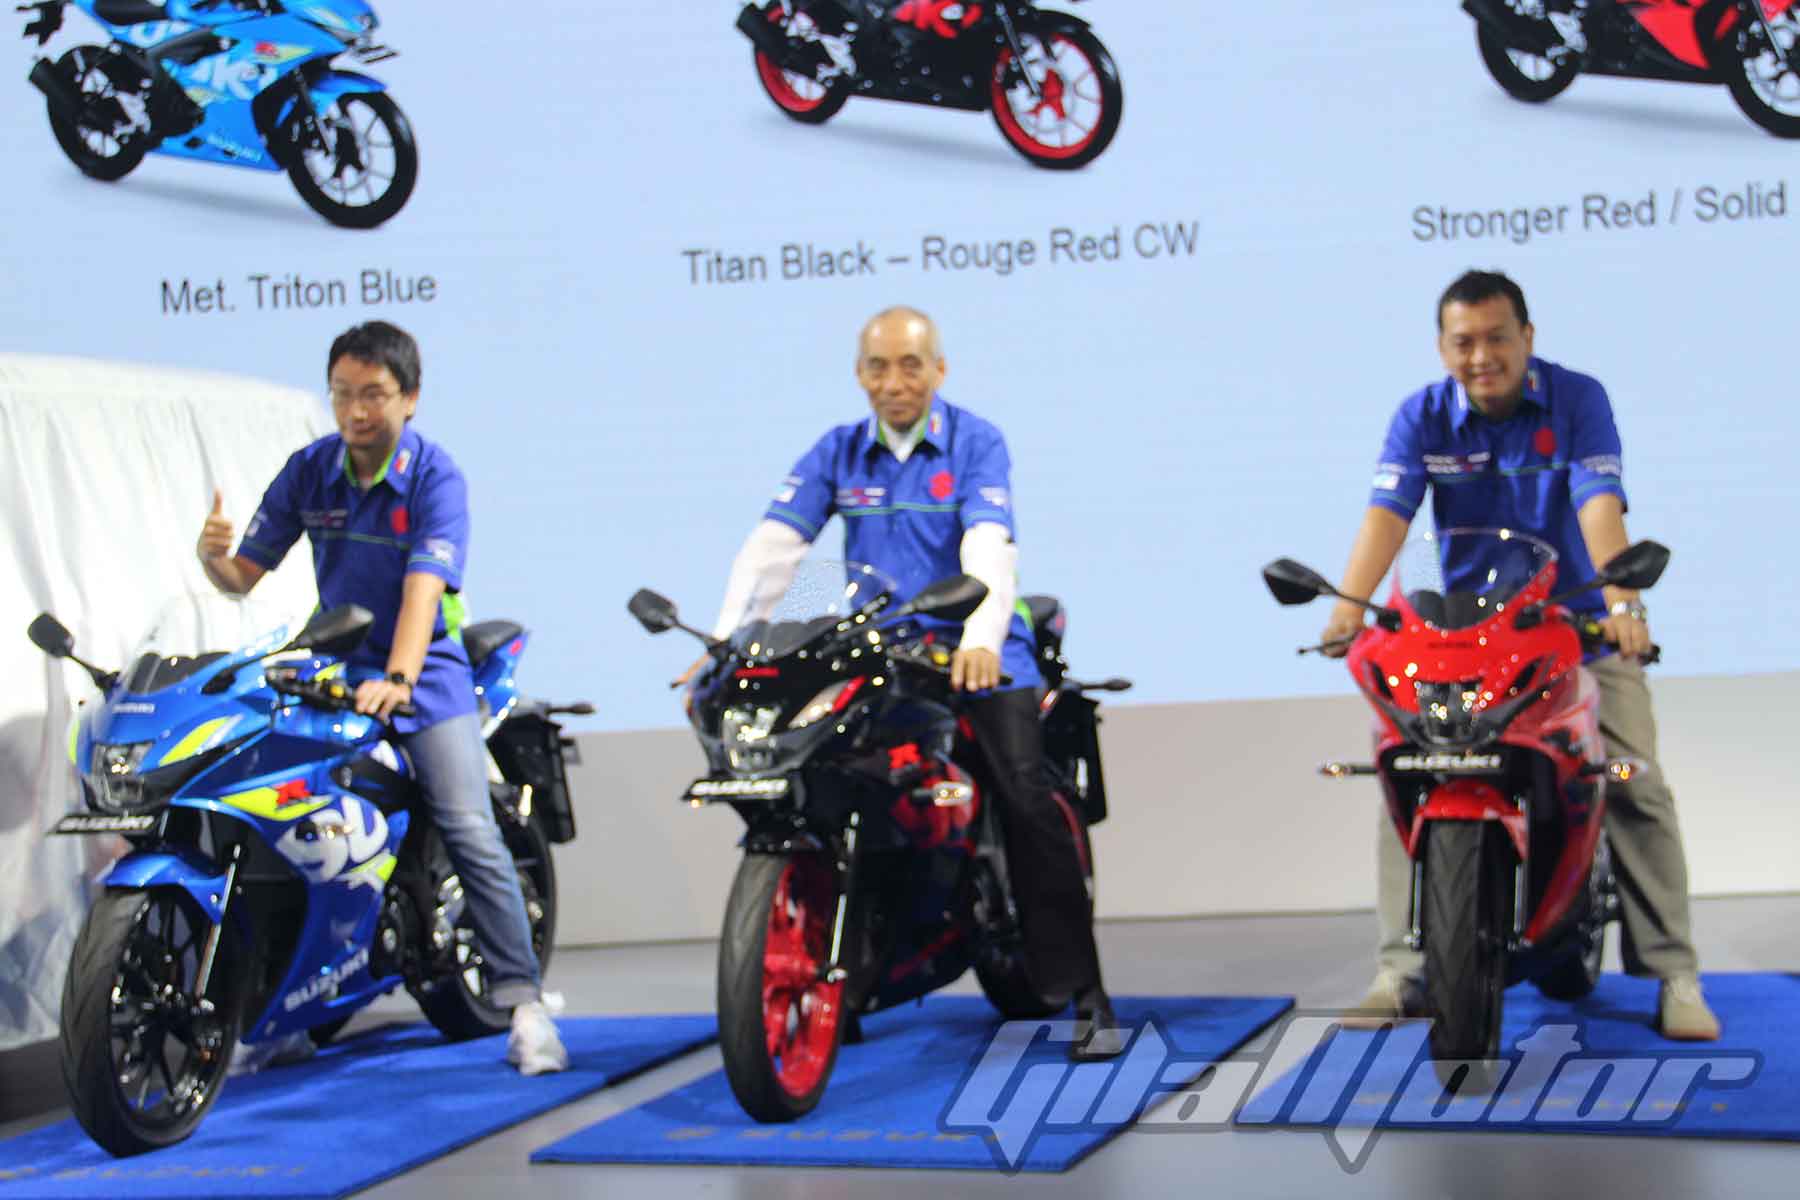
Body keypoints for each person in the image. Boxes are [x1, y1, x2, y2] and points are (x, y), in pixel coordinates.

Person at [686, 305, 1122, 1060]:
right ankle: (853, 963)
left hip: (975, 648)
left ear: (939, 370)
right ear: (860, 374)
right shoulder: (839, 449)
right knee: (829, 775)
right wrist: (728, 639)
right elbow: (775, 548)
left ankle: (1086, 994)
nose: (895, 382)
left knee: (1024, 796)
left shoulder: (976, 441)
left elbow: (989, 545)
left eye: (911, 365)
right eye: (879, 366)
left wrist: (980, 638)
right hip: (884, 648)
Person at [1322, 270, 1719, 1041]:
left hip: (1574, 625)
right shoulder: (1421, 417)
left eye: (1497, 337)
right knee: (1410, 768)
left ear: (1527, 337)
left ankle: (1675, 972)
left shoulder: (1576, 400)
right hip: (1463, 637)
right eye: (1464, 342)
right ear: (1442, 348)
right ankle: (1401, 971)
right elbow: (1386, 516)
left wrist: (1623, 604)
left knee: (1633, 779)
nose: (1482, 356)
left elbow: (1597, 504)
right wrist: (1348, 606)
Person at [195, 320, 568, 1073]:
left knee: (466, 823)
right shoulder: (310, 470)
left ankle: (526, 1008)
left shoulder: (434, 476)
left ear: (410, 398)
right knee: (290, 822)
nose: (356, 410)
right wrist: (214, 560)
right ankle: (292, 1011)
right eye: (342, 394)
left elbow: (423, 591)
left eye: (373, 394)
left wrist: (398, 680)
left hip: (426, 670)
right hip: (336, 665)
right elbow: (244, 575)